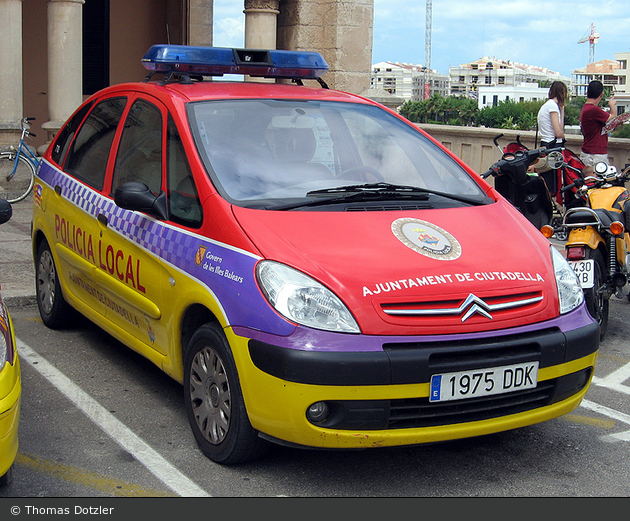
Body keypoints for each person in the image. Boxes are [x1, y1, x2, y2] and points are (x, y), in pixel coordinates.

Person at [579, 80, 617, 166]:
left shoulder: (586, 108)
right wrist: (612, 105)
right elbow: (613, 117)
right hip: (596, 155)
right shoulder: (593, 110)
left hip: (588, 152)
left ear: (587, 92)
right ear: (601, 94)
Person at [537, 81, 567, 148]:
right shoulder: (552, 106)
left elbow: (559, 129)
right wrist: (563, 136)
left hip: (546, 142)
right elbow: (558, 133)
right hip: (552, 144)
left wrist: (561, 110)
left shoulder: (548, 105)